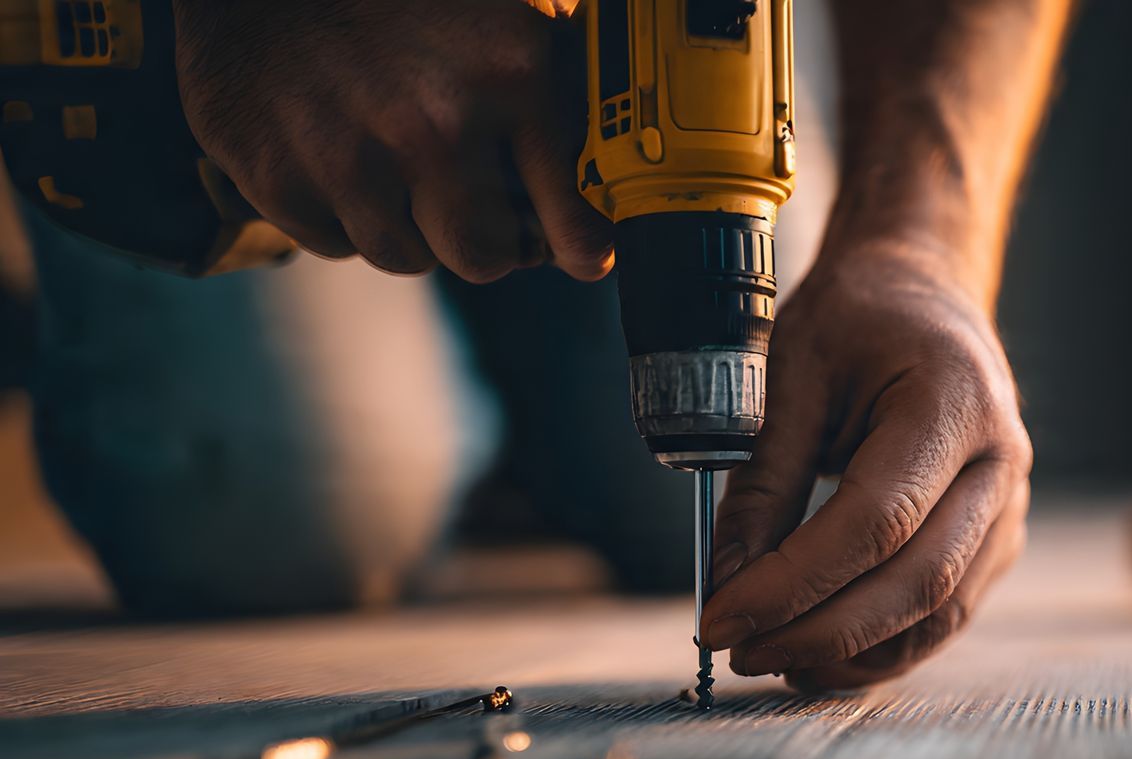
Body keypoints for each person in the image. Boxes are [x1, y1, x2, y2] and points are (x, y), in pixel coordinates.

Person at [13, 0, 1073, 691]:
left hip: (627, 54)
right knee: (269, 518)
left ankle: (511, 412)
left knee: (787, 481)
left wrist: (919, 242)